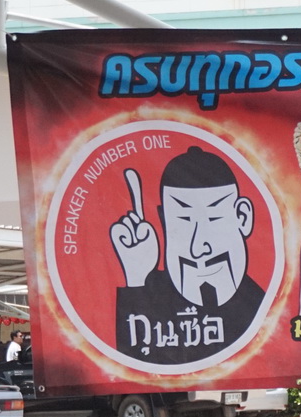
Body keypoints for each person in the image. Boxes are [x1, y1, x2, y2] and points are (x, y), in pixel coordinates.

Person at [111, 146, 267, 367]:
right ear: (164, 220)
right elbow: (137, 368)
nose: (198, 248)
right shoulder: (154, 294)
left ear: (242, 216)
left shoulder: (261, 309)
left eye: (213, 219)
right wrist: (137, 276)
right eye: (183, 221)